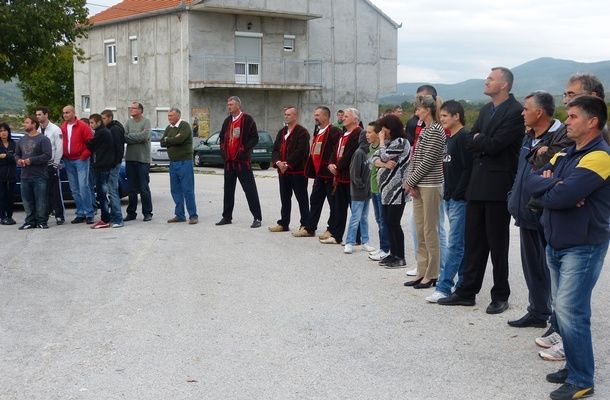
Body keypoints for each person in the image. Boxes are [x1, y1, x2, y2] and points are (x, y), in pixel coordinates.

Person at [525, 95, 609, 400]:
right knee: (563, 312)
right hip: (557, 241)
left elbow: (561, 196)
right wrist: (556, 185)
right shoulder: (567, 153)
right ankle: (573, 366)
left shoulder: (600, 156)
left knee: (571, 311)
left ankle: (581, 379)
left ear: (592, 121)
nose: (567, 121)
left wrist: (555, 188)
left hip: (582, 246)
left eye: (573, 116)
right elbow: (531, 182)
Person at [439, 67, 524, 314]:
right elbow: (470, 140)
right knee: (473, 243)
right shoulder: (486, 109)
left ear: (504, 84)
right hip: (476, 186)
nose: (486, 82)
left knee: (497, 245)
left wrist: (480, 140)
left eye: (490, 79)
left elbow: (496, 145)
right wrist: (480, 140)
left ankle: (500, 295)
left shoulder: (515, 111)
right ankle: (467, 291)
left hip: (498, 186)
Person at [505, 91, 569, 328]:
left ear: (539, 112)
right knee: (532, 267)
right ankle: (538, 312)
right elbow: (520, 171)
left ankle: (559, 322)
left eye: (526, 109)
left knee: (553, 269)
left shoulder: (562, 137)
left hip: (546, 213)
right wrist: (513, 196)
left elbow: (555, 171)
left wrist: (545, 152)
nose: (522, 113)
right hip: (525, 211)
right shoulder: (528, 136)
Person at [426, 100, 472, 302]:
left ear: (457, 116)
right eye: (441, 116)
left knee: (455, 245)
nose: (442, 119)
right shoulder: (449, 139)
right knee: (459, 245)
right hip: (450, 198)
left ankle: (444, 287)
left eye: (445, 116)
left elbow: (468, 169)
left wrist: (457, 194)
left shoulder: (463, 137)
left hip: (459, 200)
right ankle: (460, 285)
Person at [404, 84, 448, 278]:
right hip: (420, 184)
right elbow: (415, 158)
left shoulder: (437, 130)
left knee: (430, 230)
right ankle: (422, 271)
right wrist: (411, 181)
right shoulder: (425, 129)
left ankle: (433, 273)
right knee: (420, 230)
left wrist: (410, 181)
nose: (416, 113)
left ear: (428, 110)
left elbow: (429, 160)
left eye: (419, 109)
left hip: (431, 184)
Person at [216, 96, 262, 228]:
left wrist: (244, 150)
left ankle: (257, 217)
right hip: (229, 162)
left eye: (231, 104)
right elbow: (222, 138)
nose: (228, 107)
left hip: (242, 162)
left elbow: (254, 138)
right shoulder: (227, 121)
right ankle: (227, 217)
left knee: (250, 190)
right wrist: (223, 152)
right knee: (228, 190)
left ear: (238, 105)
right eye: (228, 104)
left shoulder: (247, 119)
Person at [371, 114, 411, 268]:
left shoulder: (401, 142)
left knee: (394, 222)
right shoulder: (389, 142)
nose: (382, 132)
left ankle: (400, 257)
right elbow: (374, 158)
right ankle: (393, 254)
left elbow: (385, 156)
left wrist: (381, 143)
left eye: (384, 128)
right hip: (386, 190)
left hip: (397, 189)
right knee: (388, 222)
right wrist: (383, 164)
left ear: (391, 128)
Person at [295, 106, 342, 238]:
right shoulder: (318, 131)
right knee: (315, 201)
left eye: (317, 115)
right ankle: (310, 228)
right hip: (319, 175)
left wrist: (334, 168)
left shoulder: (334, 131)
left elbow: (337, 152)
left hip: (329, 175)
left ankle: (331, 230)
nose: (315, 117)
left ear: (326, 116)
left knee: (333, 203)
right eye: (315, 115)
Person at [320, 108, 361, 245]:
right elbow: (335, 151)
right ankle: (337, 235)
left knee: (354, 209)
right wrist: (331, 164)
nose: (343, 118)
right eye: (343, 116)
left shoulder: (358, 134)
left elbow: (350, 154)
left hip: (351, 177)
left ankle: (356, 238)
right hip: (340, 178)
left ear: (355, 119)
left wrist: (337, 167)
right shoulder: (344, 134)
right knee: (339, 208)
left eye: (347, 116)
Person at [269, 106, 310, 233]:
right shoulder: (282, 132)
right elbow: (275, 149)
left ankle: (305, 225)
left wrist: (287, 164)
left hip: (297, 172)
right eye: (285, 114)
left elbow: (301, 151)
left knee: (302, 199)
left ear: (295, 116)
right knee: (285, 198)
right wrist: (278, 162)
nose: (286, 116)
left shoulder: (302, 132)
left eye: (289, 114)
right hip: (283, 172)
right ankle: (284, 223)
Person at [161, 108, 198, 224]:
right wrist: (172, 139)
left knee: (187, 190)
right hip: (173, 163)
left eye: (171, 116)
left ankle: (193, 215)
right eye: (168, 116)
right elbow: (162, 142)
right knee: (175, 190)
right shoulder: (169, 128)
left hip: (184, 162)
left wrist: (168, 140)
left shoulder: (184, 126)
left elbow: (180, 140)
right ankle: (180, 215)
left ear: (178, 115)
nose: (169, 118)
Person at [15, 116, 52, 229]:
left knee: (41, 200)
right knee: (27, 201)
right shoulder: (21, 140)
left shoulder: (43, 139)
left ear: (34, 124)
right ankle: (30, 222)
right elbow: (16, 154)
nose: (24, 124)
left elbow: (47, 155)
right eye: (24, 122)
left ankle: (42, 221)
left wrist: (31, 160)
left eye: (27, 122)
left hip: (39, 175)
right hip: (25, 175)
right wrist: (18, 160)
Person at [60, 105, 94, 224]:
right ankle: (80, 213)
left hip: (81, 160)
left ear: (73, 113)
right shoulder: (62, 127)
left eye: (67, 112)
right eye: (64, 113)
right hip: (68, 161)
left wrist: (84, 155)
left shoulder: (83, 126)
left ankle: (89, 213)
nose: (65, 115)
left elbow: (91, 143)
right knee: (74, 189)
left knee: (83, 187)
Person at [343, 131, 373, 254]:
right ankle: (349, 242)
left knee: (364, 218)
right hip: (358, 192)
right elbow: (354, 173)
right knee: (355, 218)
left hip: (367, 192)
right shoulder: (359, 153)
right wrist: (361, 185)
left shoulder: (369, 152)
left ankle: (365, 242)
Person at [35, 106, 65, 225]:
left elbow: (59, 148)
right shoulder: (37, 130)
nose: (38, 117)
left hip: (52, 164)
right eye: (36, 115)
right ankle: (45, 215)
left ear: (46, 114)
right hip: (40, 166)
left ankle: (59, 215)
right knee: (43, 191)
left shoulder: (55, 129)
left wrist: (55, 164)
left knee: (55, 191)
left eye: (40, 114)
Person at [366, 121, 391, 261]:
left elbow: (386, 162)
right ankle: (383, 247)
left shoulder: (384, 146)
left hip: (381, 188)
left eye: (369, 132)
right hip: (373, 187)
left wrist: (381, 163)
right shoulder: (371, 147)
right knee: (378, 219)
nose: (367, 135)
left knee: (383, 220)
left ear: (378, 134)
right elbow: (372, 162)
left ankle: (386, 249)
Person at [124, 102, 153, 222]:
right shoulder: (128, 122)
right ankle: (131, 213)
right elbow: (124, 137)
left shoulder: (146, 122)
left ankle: (147, 213)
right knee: (131, 188)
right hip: (130, 159)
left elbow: (144, 137)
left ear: (140, 110)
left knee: (144, 187)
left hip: (143, 159)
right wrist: (136, 137)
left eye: (134, 108)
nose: (131, 110)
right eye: (131, 108)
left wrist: (131, 137)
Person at [86, 114, 116, 229]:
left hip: (102, 166)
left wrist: (85, 139)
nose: (91, 125)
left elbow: (91, 145)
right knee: (102, 193)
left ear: (99, 122)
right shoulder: (102, 132)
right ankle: (107, 217)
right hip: (102, 165)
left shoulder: (101, 132)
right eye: (90, 123)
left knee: (102, 194)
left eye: (92, 123)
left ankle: (105, 219)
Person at [562, 73, 608, 144]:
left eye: (571, 95)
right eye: (565, 95)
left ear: (592, 96)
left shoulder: (585, 133)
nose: (565, 101)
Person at [101, 109, 125, 228]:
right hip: (109, 164)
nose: (102, 121)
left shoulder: (115, 129)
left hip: (113, 164)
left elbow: (118, 148)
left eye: (104, 118)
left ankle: (118, 218)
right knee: (110, 191)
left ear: (110, 118)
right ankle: (113, 216)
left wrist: (114, 163)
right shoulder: (108, 128)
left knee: (113, 191)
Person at [0, 122, 17, 225]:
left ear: (8, 132)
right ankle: (2, 217)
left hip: (11, 175)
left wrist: (5, 156)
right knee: (1, 197)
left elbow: (16, 158)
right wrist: (10, 157)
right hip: (0, 176)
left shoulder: (14, 144)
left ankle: (9, 217)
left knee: (10, 197)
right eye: (1, 131)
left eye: (5, 130)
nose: (3, 133)